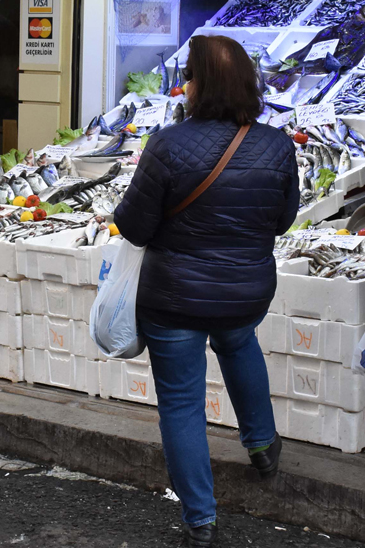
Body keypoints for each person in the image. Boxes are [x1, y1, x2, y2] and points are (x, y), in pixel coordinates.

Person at [112, 35, 299, 548]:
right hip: (244, 291)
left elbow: (133, 226)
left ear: (198, 86)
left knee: (180, 402)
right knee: (239, 344)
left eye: (189, 76)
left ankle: (201, 521)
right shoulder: (277, 145)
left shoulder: (168, 145)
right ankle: (262, 445)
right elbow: (283, 222)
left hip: (174, 298)